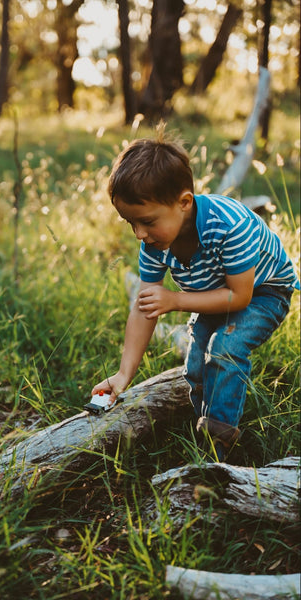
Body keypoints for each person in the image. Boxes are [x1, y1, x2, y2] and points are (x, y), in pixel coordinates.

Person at [92, 134, 299, 462]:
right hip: (212, 292)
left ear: (184, 202)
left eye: (147, 222)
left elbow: (239, 297)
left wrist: (175, 300)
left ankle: (218, 447)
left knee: (226, 349)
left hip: (263, 291)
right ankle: (203, 423)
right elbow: (145, 307)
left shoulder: (230, 227)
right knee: (196, 361)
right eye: (130, 223)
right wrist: (123, 374)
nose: (139, 234)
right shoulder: (155, 243)